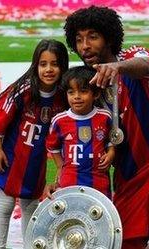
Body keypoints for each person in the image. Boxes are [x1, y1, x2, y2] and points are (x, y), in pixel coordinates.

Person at [64, 6, 149, 249]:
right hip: (129, 177)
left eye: (92, 37)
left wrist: (118, 68)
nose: (84, 46)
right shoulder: (86, 86)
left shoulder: (133, 57)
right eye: (78, 40)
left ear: (109, 38)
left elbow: (145, 64)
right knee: (122, 244)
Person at [0, 39, 69, 249]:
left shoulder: (64, 94)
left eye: (55, 64)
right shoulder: (24, 90)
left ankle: (31, 245)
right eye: (43, 64)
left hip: (35, 160)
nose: (49, 69)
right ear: (35, 65)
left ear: (63, 66)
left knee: (31, 206)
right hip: (10, 156)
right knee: (5, 205)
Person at [43, 66, 115, 199]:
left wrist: (111, 152)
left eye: (83, 91)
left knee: (99, 214)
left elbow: (110, 139)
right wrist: (60, 167)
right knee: (72, 213)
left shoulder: (105, 117)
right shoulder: (59, 120)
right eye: (71, 92)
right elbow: (53, 146)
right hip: (70, 179)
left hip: (99, 179)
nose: (76, 97)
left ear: (96, 94)